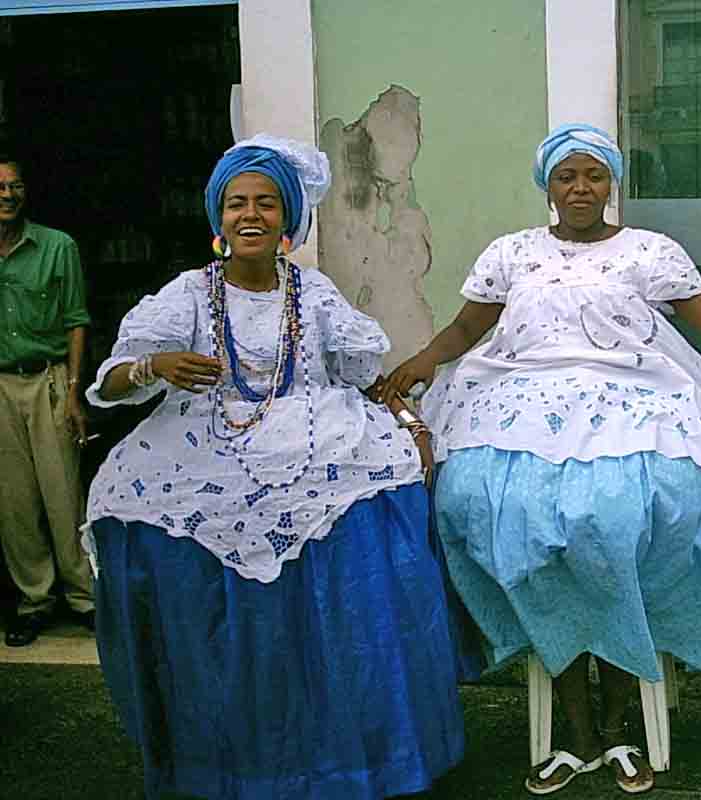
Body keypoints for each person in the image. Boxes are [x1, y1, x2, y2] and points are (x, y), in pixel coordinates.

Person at [381, 123, 701, 795]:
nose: (580, 188)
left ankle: (621, 722)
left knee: (614, 525)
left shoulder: (649, 251)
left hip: (636, 402)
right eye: (566, 176)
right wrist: (426, 360)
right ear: (547, 185)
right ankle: (578, 729)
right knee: (504, 517)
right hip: (521, 407)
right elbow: (465, 327)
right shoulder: (512, 253)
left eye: (593, 175)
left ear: (612, 183)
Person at [83, 135, 463, 800]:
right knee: (139, 514)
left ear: (288, 219)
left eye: (265, 203)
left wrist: (386, 406)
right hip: (205, 439)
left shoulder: (312, 292)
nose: (250, 215)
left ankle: (347, 757)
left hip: (311, 433)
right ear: (217, 218)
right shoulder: (187, 295)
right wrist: (155, 366)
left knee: (364, 535)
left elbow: (356, 368)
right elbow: (112, 380)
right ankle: (224, 760)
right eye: (236, 203)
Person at [0, 146, 95, 647]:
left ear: (26, 191)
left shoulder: (58, 247)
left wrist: (75, 393)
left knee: (63, 492)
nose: (6, 194)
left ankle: (84, 597)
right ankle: (34, 600)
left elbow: (76, 321)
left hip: (50, 379)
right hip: (0, 384)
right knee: (13, 500)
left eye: (14, 185)